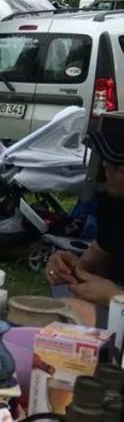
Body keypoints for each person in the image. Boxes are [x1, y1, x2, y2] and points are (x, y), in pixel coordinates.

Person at [47, 125, 124, 328]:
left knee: (68, 314)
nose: (106, 166)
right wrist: (67, 268)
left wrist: (116, 296)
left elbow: (111, 295)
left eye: (119, 167)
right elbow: (93, 260)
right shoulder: (115, 204)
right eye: (107, 160)